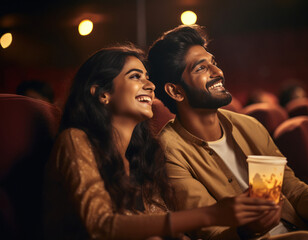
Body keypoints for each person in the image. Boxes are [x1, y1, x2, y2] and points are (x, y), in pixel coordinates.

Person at [42, 44, 282, 240]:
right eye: (136, 76)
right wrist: (212, 214)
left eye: (148, 77)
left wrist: (247, 229)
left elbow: (166, 230)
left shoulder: (141, 157)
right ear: (101, 93)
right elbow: (101, 226)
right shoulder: (75, 140)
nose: (150, 85)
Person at [147, 25, 308, 240]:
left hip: (306, 230)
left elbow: (293, 191)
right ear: (175, 91)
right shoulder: (168, 151)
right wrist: (247, 230)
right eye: (201, 68)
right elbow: (208, 228)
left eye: (214, 63)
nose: (218, 72)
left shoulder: (249, 125)